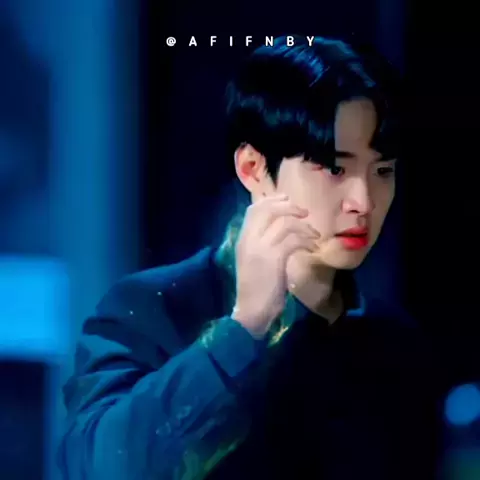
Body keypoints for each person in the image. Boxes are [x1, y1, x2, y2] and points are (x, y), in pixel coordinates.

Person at [58, 36, 460, 479]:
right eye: (335, 169)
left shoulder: (397, 347)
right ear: (253, 168)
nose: (363, 201)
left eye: (382, 171)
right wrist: (244, 328)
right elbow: (97, 467)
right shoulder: (154, 307)